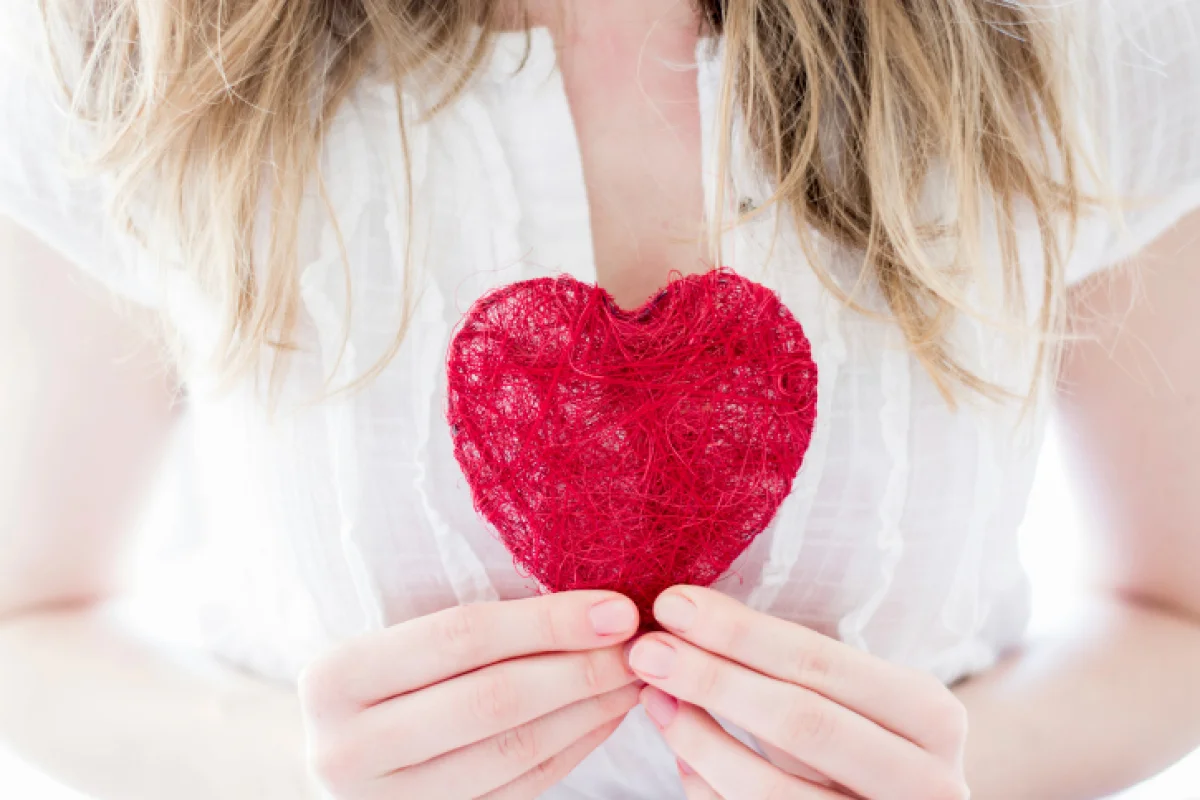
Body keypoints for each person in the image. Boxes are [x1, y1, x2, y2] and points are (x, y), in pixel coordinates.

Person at [3, 0, 1200, 797]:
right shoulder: (122, 36)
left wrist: (962, 771)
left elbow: (1177, 618)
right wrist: (294, 771)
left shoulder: (1086, 32)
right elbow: (25, 627)